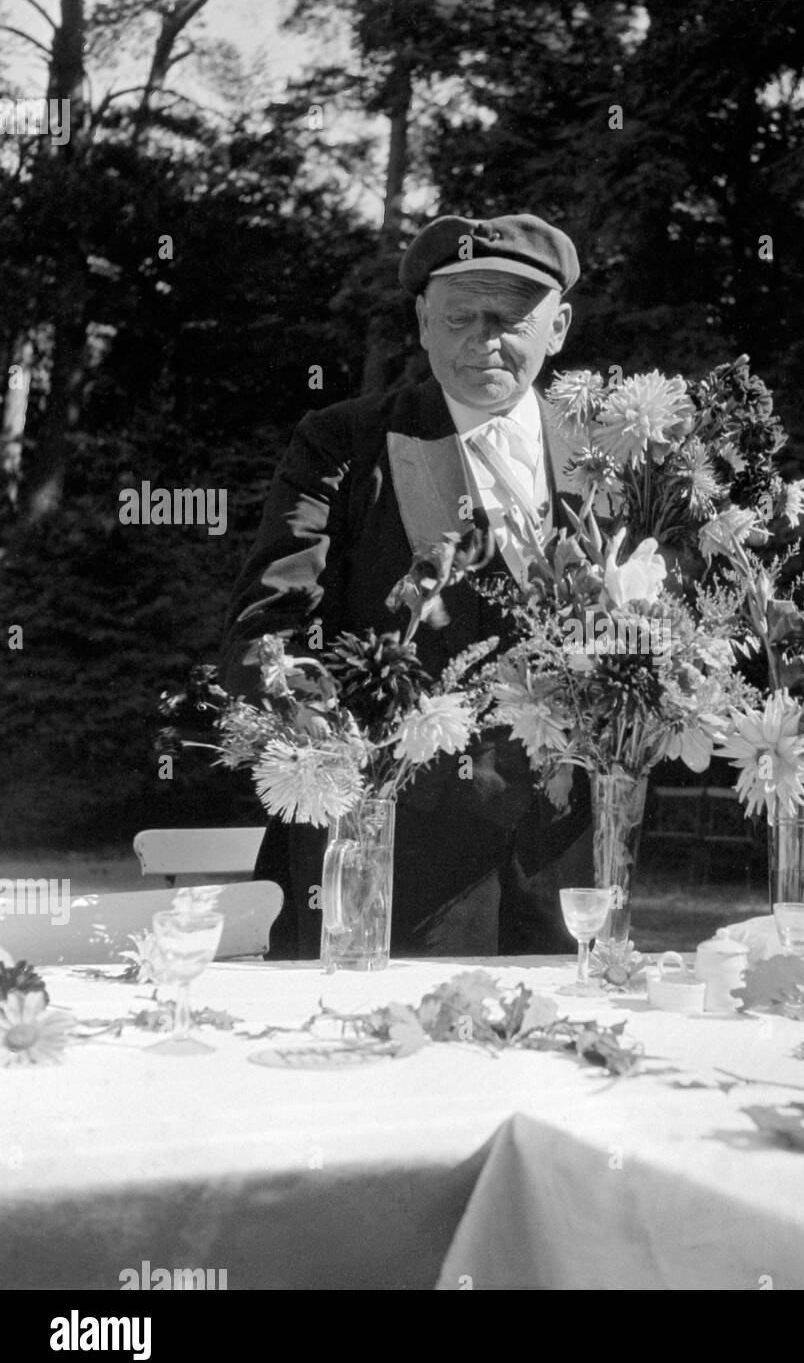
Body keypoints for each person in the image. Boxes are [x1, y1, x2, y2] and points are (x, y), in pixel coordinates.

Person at [220, 213, 592, 959]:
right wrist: (305, 706)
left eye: (512, 318)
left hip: (569, 861)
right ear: (422, 322)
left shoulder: (613, 455)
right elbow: (269, 624)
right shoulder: (344, 443)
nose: (485, 338)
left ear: (559, 328)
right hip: (384, 856)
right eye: (460, 316)